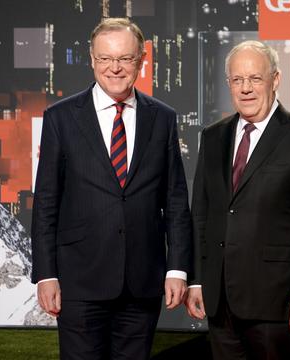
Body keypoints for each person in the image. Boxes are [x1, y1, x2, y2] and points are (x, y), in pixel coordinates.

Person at [31, 18, 192, 360]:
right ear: (92, 59)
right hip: (79, 281)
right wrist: (46, 275)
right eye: (105, 58)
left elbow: (175, 200)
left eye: (125, 59)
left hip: (142, 282)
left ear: (141, 59)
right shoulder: (60, 117)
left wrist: (177, 269)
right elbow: (46, 201)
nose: (114, 68)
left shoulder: (162, 118)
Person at [184, 40, 290, 360]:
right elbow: (201, 215)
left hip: (276, 302)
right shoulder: (213, 137)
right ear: (228, 84)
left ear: (275, 80)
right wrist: (197, 280)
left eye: (255, 79)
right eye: (238, 80)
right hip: (219, 298)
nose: (246, 89)